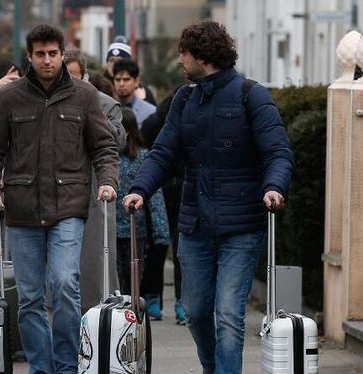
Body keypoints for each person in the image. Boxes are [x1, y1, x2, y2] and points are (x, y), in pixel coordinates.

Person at [123, 21, 294, 374]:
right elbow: (163, 152)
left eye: (182, 53)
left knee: (229, 314)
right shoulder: (185, 99)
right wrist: (140, 189)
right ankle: (212, 367)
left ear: (202, 55)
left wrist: (274, 186)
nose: (178, 61)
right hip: (195, 224)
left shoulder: (251, 95)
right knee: (197, 311)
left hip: (242, 226)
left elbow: (277, 152)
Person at [0, 24, 119, 373]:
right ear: (29, 56)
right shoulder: (9, 97)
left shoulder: (84, 95)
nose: (46, 60)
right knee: (30, 297)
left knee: (64, 283)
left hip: (69, 205)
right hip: (23, 209)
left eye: (52, 53)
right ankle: (42, 367)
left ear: (62, 53)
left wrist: (108, 181)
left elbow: (103, 146)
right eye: (39, 54)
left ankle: (66, 364)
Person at [63, 48, 125, 312]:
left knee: (95, 265)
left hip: (93, 198)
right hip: (57, 196)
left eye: (77, 77)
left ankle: (98, 321)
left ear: (86, 76)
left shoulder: (105, 104)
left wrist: (90, 109)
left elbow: (119, 140)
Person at [114, 108, 170, 320]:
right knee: (116, 280)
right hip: (110, 232)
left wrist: (161, 233)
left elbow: (155, 200)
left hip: (135, 231)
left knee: (134, 279)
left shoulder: (143, 157)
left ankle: (132, 319)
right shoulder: (105, 157)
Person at [140, 89, 188, 324]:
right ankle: (155, 298)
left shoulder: (160, 120)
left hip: (180, 189)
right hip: (160, 190)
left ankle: (178, 301)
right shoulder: (156, 122)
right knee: (159, 246)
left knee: (176, 248)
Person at [104, 35, 157, 106]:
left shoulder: (142, 90)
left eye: (119, 60)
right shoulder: (99, 85)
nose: (114, 64)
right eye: (111, 60)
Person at [113, 59, 156, 125]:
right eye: (118, 80)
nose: (121, 84)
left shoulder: (150, 112)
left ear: (136, 81)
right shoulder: (108, 108)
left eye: (126, 79)